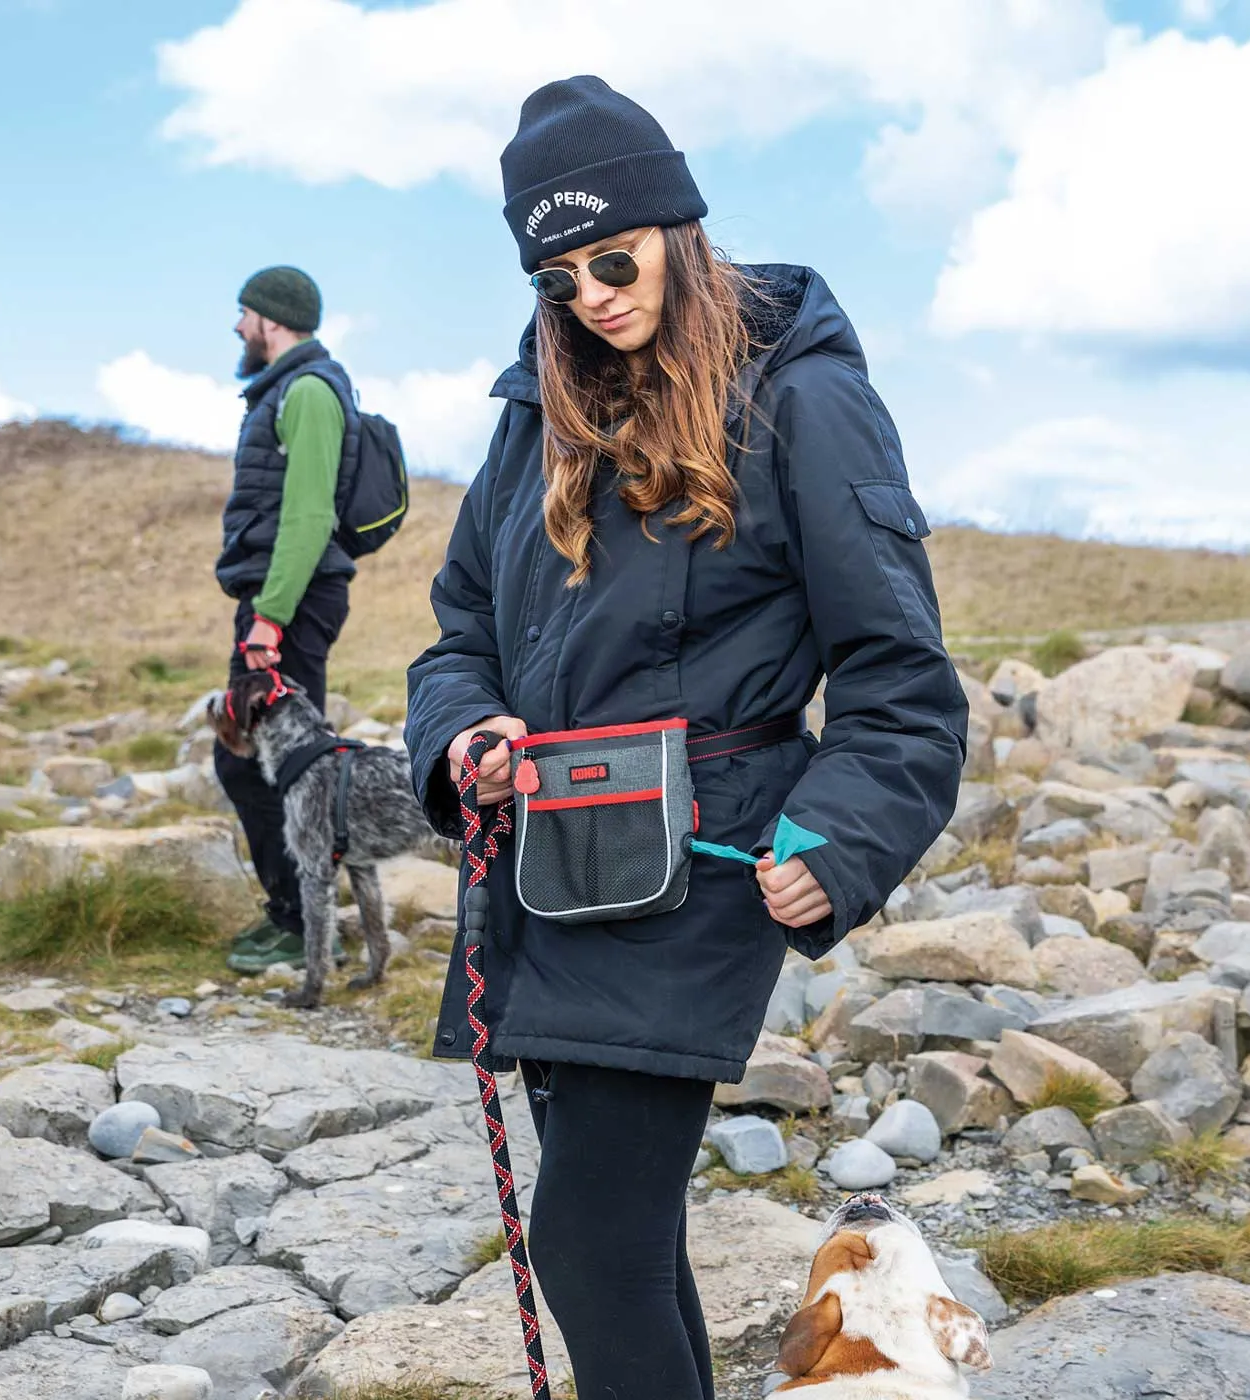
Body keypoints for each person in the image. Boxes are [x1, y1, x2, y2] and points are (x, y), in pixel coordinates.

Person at [404, 77, 968, 1400]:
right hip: (547, 864)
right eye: (560, 275)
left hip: (702, 864)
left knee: (587, 1243)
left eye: (616, 257)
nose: (594, 293)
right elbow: (457, 632)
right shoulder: (530, 414)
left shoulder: (804, 399)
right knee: (630, 1235)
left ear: (677, 227)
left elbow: (901, 676)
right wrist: (462, 733)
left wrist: (833, 842)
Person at [214, 265, 359, 973]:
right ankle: (304, 914)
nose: (237, 326)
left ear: (271, 319)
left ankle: (301, 921)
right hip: (283, 597)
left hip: (288, 603)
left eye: (244, 313)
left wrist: (269, 618)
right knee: (269, 764)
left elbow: (306, 515)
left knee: (273, 768)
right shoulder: (289, 388)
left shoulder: (305, 390)